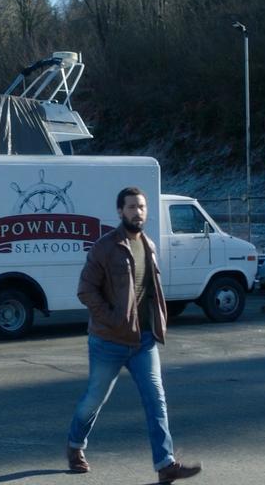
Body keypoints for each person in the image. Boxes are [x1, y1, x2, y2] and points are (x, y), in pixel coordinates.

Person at [66, 186, 202, 483]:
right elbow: (85, 290)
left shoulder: (149, 246)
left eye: (141, 207)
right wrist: (113, 319)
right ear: (119, 211)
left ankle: (165, 465)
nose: (137, 212)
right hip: (108, 341)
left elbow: (150, 292)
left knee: (156, 399)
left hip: (143, 341)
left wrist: (158, 323)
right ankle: (75, 445)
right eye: (131, 207)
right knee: (94, 400)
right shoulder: (104, 247)